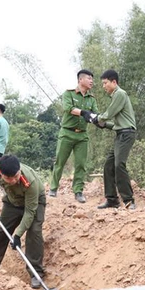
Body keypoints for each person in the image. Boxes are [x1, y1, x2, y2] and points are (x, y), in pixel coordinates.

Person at [0, 155, 47, 289]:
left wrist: (17, 235)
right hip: (12, 202)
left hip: (34, 203)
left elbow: (30, 212)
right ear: (1, 174)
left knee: (34, 232)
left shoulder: (30, 182)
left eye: (15, 176)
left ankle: (36, 273)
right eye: (8, 178)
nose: (12, 181)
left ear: (19, 171)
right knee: (1, 232)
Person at [82, 69, 137, 210]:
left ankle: (129, 200)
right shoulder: (116, 96)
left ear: (114, 82)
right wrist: (102, 124)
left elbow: (109, 114)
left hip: (127, 134)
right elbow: (117, 124)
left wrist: (95, 118)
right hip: (121, 134)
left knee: (119, 165)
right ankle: (112, 199)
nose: (103, 86)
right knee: (109, 165)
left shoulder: (120, 94)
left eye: (105, 83)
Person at [49, 69, 99, 203]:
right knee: (60, 161)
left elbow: (95, 114)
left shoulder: (91, 98)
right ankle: (53, 188)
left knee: (81, 164)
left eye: (92, 79)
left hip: (82, 136)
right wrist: (83, 112)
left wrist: (99, 120)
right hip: (67, 133)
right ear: (80, 80)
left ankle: (78, 191)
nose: (91, 81)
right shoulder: (69, 93)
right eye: (89, 78)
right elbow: (68, 108)